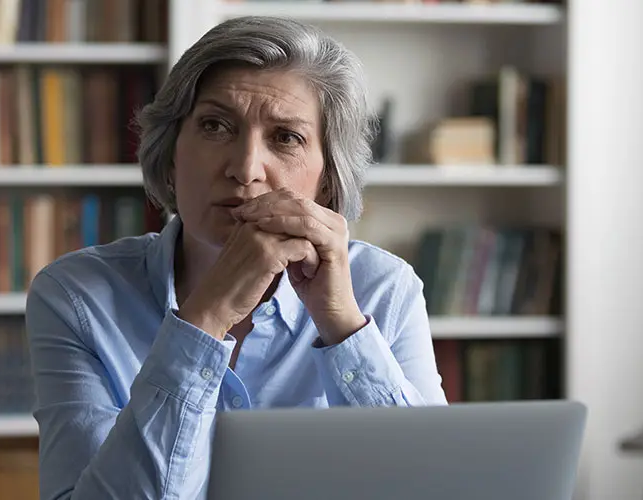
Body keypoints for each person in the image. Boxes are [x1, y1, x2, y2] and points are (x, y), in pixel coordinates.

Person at [26, 15, 447, 500]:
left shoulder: (383, 288)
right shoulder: (77, 295)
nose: (245, 169)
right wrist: (206, 318)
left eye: (286, 137)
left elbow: (430, 485)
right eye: (215, 126)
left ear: (327, 177)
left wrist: (344, 327)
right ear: (171, 152)